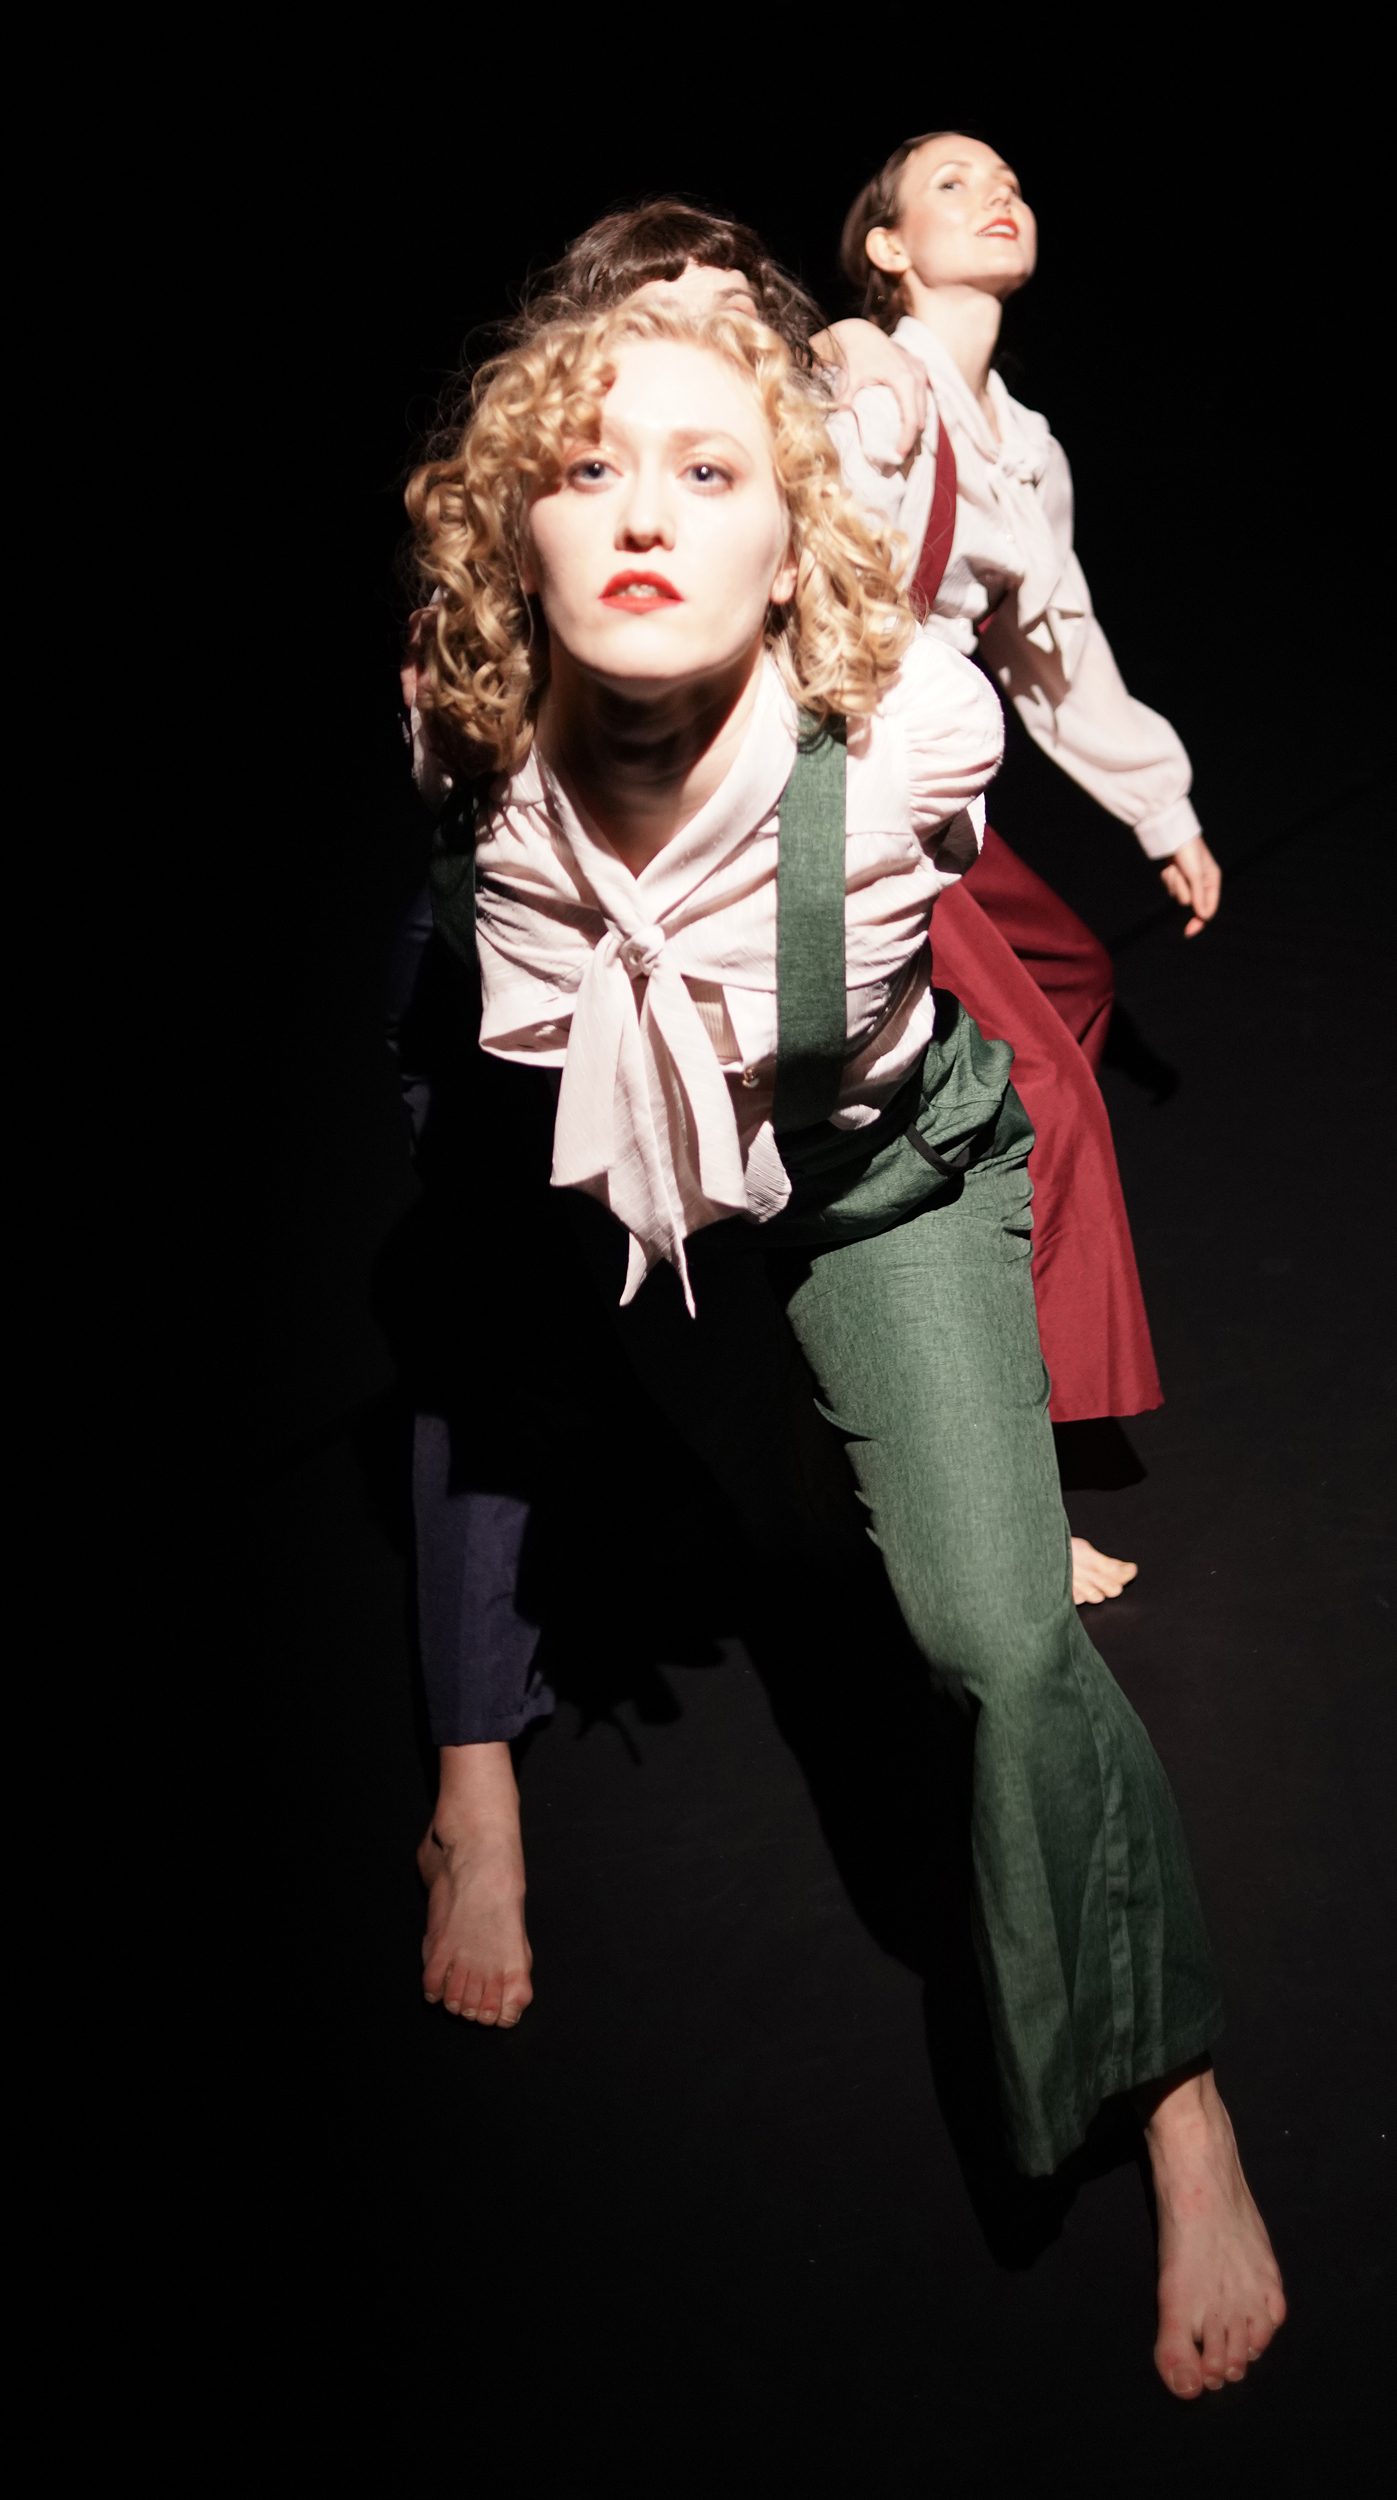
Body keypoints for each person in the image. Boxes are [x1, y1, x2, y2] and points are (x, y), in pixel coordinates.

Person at [402, 294, 1285, 2398]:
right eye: (587, 467)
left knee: (991, 1637)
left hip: (882, 1197)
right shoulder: (467, 750)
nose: (641, 513)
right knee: (806, 1554)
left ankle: (1176, 2095)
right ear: (507, 534)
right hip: (659, 1238)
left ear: (795, 547)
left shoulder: (905, 746)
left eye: (707, 472)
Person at [831, 128, 1224, 1468]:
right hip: (854, 788)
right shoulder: (869, 385)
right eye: (952, 184)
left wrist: (1160, 810)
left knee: (1073, 977)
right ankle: (1014, 1466)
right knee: (1050, 1088)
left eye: (1007, 180)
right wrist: (840, 346)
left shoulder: (1027, 445)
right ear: (888, 247)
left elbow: (1059, 656)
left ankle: (959, 1191)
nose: (997, 193)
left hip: (942, 792)